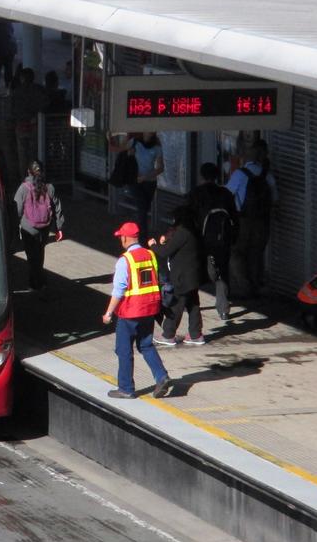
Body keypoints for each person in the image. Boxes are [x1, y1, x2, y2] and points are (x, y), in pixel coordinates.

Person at [102, 221, 174, 400]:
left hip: (130, 311)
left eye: (121, 237)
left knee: (124, 349)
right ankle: (161, 376)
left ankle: (126, 388)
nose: (120, 240)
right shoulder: (150, 254)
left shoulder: (125, 260)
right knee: (146, 345)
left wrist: (108, 313)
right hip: (149, 309)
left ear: (126, 238)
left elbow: (119, 290)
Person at [226, 141, 277, 298]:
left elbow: (227, 194)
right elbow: (275, 199)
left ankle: (244, 286)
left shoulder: (239, 174)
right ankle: (256, 286)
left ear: (247, 156)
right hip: (262, 222)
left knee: (236, 252)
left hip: (243, 221)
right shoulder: (268, 175)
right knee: (256, 253)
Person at [188, 162, 238, 321]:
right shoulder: (226, 194)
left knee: (196, 270)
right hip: (223, 239)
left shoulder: (196, 193)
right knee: (222, 271)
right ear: (217, 176)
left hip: (201, 239)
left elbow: (189, 217)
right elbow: (234, 217)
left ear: (201, 176)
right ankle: (223, 309)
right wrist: (233, 238)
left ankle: (193, 305)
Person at [153, 207, 206, 346]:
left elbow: (165, 251)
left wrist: (154, 245)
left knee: (176, 305)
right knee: (193, 305)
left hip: (182, 277)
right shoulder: (194, 230)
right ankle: (196, 335)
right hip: (193, 276)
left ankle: (168, 335)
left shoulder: (183, 232)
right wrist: (167, 239)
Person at [14, 161, 64, 291]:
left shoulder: (23, 188)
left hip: (28, 228)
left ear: (28, 172)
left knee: (31, 257)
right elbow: (57, 207)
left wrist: (15, 226)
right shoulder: (49, 187)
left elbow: (17, 209)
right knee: (40, 253)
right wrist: (59, 228)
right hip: (45, 228)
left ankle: (36, 283)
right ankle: (39, 282)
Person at [10, 68, 48, 177]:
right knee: (34, 155)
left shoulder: (16, 92)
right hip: (33, 126)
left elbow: (12, 110)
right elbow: (45, 103)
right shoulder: (38, 90)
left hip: (20, 126)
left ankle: (24, 178)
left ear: (21, 78)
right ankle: (35, 177)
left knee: (22, 156)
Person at [130, 132, 165, 242]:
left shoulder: (157, 146)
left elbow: (160, 168)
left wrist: (145, 177)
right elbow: (122, 152)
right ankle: (142, 239)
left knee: (144, 209)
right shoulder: (135, 142)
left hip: (149, 182)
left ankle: (139, 233)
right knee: (142, 209)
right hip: (135, 180)